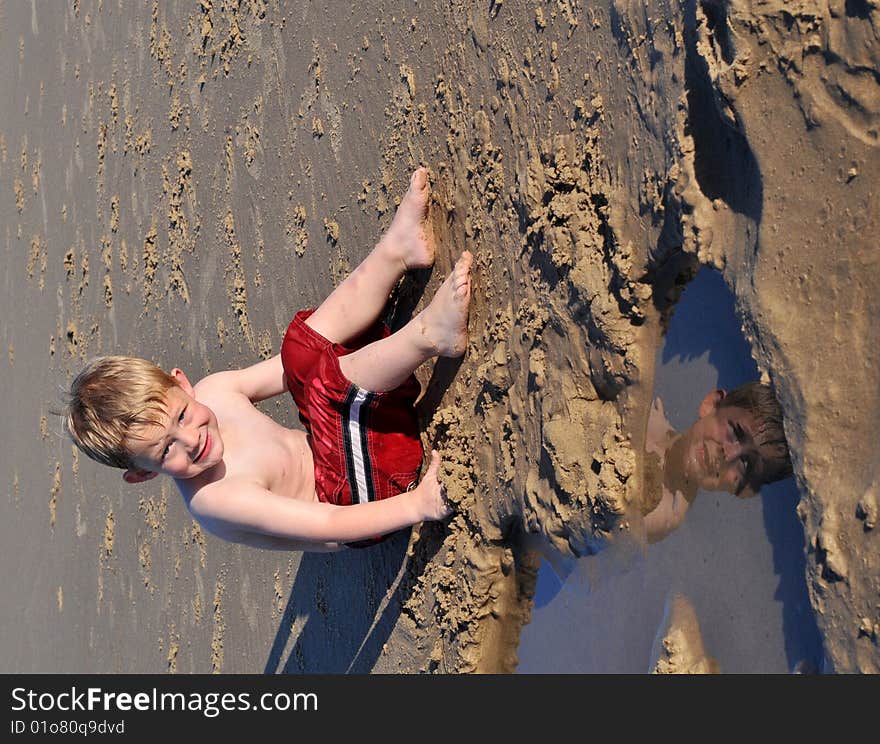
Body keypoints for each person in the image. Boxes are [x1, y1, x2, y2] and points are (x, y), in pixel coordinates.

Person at [64, 168, 472, 551]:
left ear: (183, 384)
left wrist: (317, 352)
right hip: (367, 499)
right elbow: (330, 525)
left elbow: (291, 365)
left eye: (182, 417)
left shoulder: (216, 392)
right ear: (144, 474)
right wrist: (419, 506)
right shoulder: (215, 499)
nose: (190, 440)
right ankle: (431, 335)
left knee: (301, 344)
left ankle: (397, 252)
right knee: (328, 383)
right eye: (165, 450)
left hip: (354, 436)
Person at [642, 381, 793, 543]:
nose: (728, 454)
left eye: (746, 464)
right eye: (735, 432)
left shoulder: (660, 512)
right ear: (712, 404)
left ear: (742, 490)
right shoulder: (653, 417)